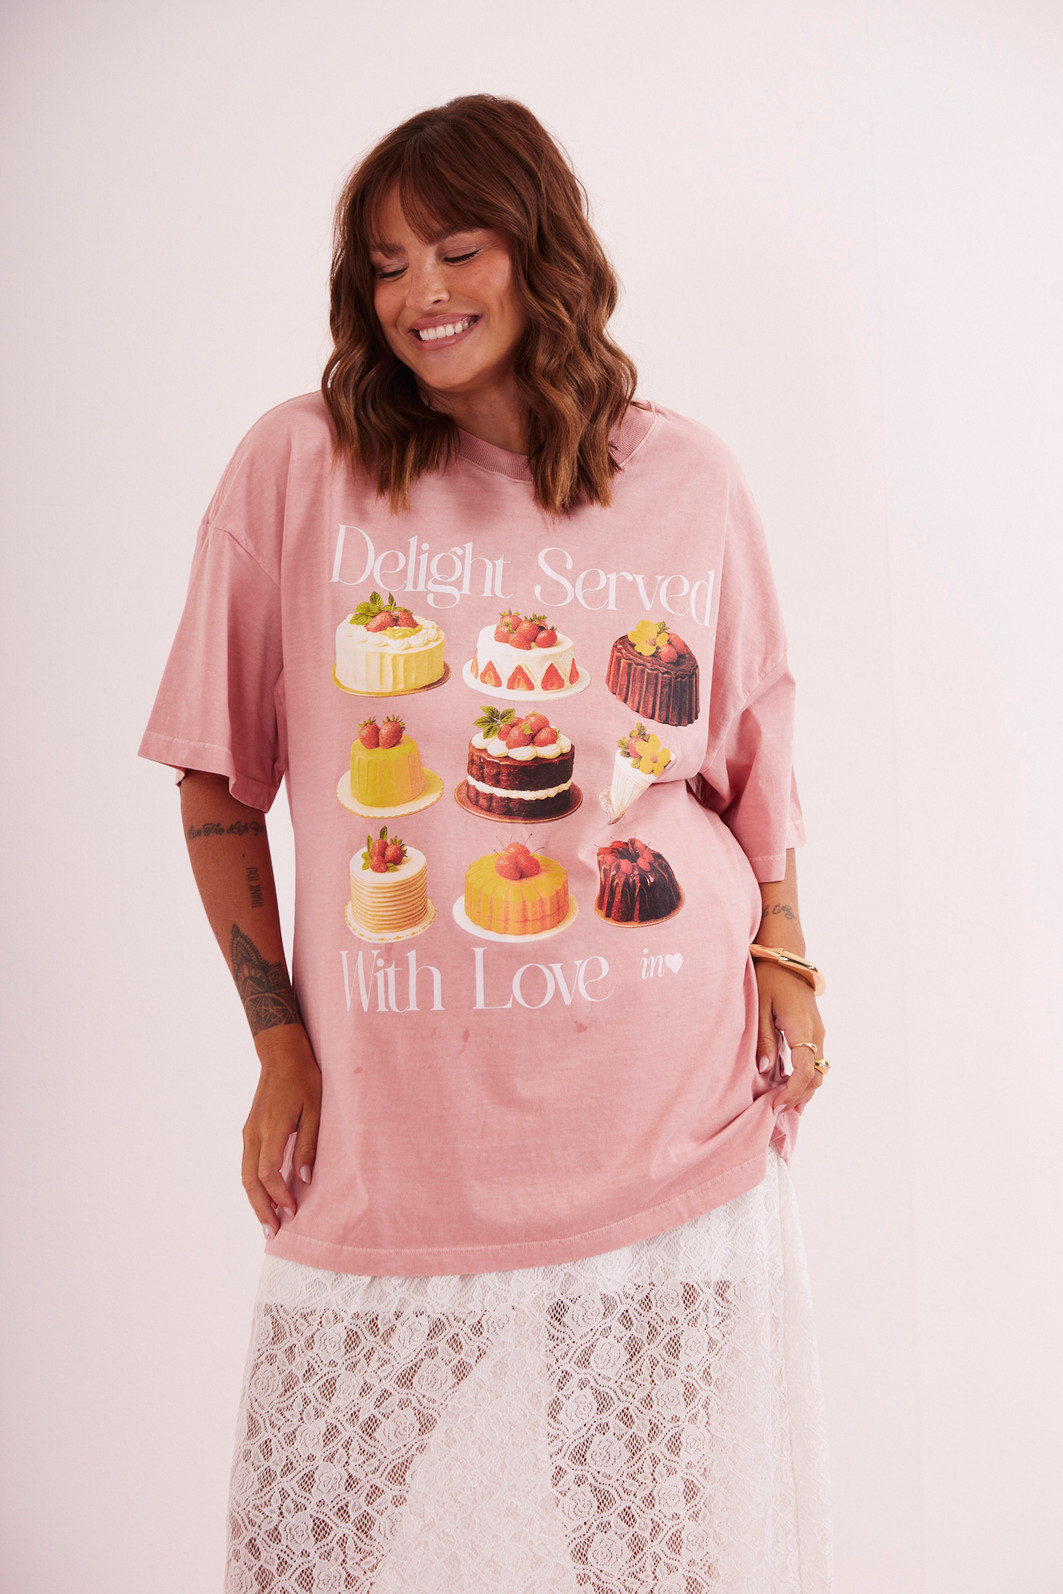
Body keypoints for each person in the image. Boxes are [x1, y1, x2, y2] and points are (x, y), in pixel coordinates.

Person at [141, 94, 833, 1594]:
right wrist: (280, 1044)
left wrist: (786, 952)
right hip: (400, 1130)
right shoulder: (300, 467)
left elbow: (750, 751)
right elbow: (216, 778)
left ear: (539, 251)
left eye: (457, 249)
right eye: (386, 264)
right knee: (297, 1546)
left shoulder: (687, 479)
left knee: (641, 1550)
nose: (421, 295)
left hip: (661, 1098)